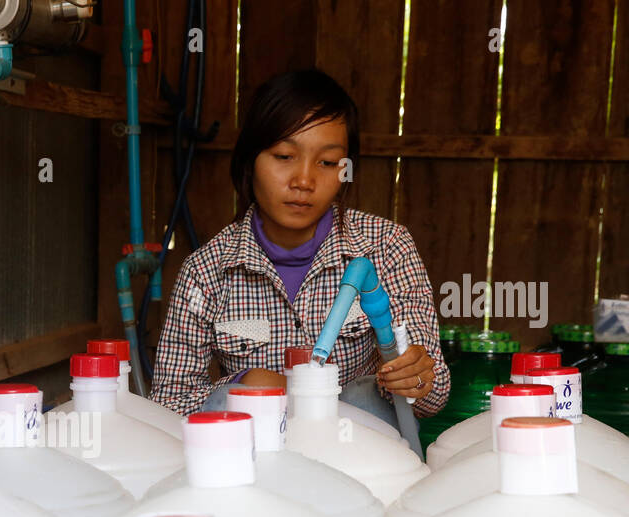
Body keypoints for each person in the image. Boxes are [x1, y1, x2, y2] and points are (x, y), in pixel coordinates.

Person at [150, 69, 450, 424]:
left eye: (326, 163)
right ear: (250, 160)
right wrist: (248, 383)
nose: (304, 181)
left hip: (363, 456)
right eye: (283, 156)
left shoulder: (386, 247)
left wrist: (414, 376)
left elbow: (434, 399)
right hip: (258, 462)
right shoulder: (206, 271)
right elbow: (168, 404)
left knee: (361, 398)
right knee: (238, 399)